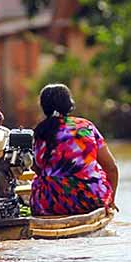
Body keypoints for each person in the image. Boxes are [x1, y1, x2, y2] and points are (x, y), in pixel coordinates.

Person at [30, 84, 119, 216]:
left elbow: (37, 168)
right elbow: (111, 168)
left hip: (49, 203)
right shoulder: (86, 126)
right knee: (98, 171)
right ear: (69, 104)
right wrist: (111, 200)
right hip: (90, 199)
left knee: (42, 179)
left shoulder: (39, 132)